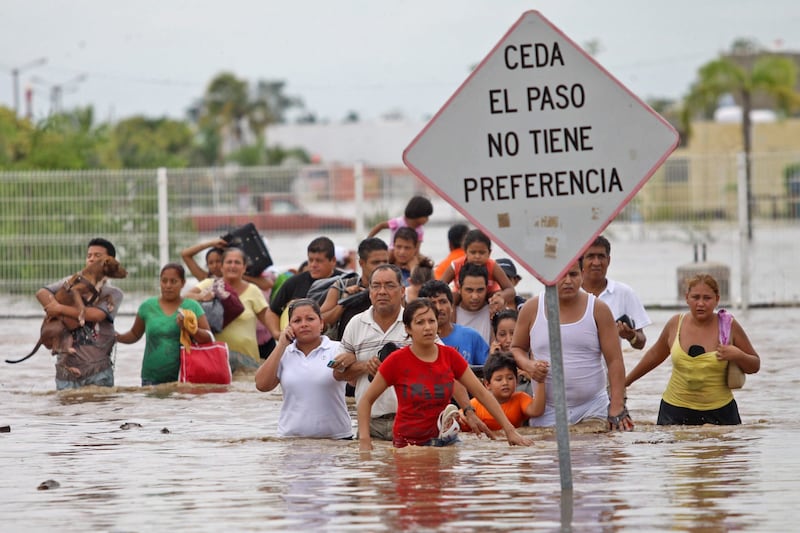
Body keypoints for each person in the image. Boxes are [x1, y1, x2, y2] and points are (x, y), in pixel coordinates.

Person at [356, 298, 532, 450]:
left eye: (431, 321)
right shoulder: (396, 361)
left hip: (446, 441)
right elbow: (366, 400)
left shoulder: (450, 356)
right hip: (408, 445)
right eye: (420, 322)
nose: (427, 327)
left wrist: (510, 431)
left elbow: (482, 393)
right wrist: (365, 441)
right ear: (408, 329)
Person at [511, 261, 633, 430]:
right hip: (545, 410)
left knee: (598, 451)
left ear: (582, 274)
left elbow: (615, 361)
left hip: (592, 408)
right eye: (561, 276)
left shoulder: (598, 309)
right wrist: (529, 365)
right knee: (542, 452)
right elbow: (516, 348)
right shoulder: (532, 308)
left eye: (573, 274)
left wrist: (616, 406)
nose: (568, 281)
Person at [625, 274, 760, 425]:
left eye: (707, 298)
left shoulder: (729, 326)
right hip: (674, 410)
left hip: (720, 412)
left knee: (724, 447)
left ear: (717, 299)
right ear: (687, 298)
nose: (700, 303)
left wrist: (738, 355)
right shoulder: (676, 323)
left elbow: (755, 365)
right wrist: (625, 382)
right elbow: (654, 355)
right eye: (695, 297)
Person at [255, 299, 352, 438]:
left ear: (321, 323)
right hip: (291, 441)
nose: (304, 324)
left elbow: (355, 382)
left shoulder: (337, 349)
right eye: (297, 321)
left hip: (336, 439)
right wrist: (281, 345)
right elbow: (261, 385)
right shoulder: (283, 353)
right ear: (289, 326)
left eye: (310, 319)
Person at [36, 238, 124, 390]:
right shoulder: (72, 281)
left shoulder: (113, 293)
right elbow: (42, 293)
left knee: (102, 412)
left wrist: (59, 310)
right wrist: (56, 316)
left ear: (110, 261)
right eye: (89, 255)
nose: (92, 259)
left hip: (98, 372)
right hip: (66, 375)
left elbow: (95, 315)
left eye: (98, 256)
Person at [116, 263, 213, 385]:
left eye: (173, 281)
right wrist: (116, 337)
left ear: (183, 283)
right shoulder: (147, 306)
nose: (168, 286)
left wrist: (189, 328)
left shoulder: (192, 306)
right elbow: (135, 334)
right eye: (164, 281)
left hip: (183, 378)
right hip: (150, 378)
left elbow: (209, 339)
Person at [187, 247, 268, 371]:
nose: (232, 266)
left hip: (247, 363)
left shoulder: (253, 290)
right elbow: (184, 298)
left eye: (237, 262)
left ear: (244, 267)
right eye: (229, 262)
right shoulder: (209, 284)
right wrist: (202, 296)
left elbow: (268, 319)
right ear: (222, 267)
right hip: (215, 361)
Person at [581, 235, 651, 350]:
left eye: (601, 257)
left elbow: (641, 342)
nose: (596, 262)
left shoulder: (624, 292)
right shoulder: (569, 294)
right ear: (580, 260)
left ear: (608, 260)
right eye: (591, 256)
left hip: (611, 366)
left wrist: (631, 336)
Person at [266, 236, 341, 339]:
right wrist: (276, 334)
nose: (313, 265)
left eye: (319, 261)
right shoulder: (294, 282)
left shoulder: (344, 282)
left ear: (333, 260)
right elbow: (272, 311)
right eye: (311, 260)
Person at [320, 237, 389, 341]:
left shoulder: (395, 288)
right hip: (347, 350)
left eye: (385, 262)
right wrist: (344, 302)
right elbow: (320, 322)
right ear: (361, 263)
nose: (381, 267)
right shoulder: (342, 286)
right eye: (376, 262)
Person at [462, 352, 546, 430]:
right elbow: (460, 416)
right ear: (487, 384)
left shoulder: (520, 399)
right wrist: (460, 416)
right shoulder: (476, 404)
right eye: (499, 379)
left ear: (516, 381)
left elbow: (536, 411)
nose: (505, 383)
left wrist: (540, 381)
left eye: (510, 378)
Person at [438, 229, 515, 310]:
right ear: (465, 251)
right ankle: (452, 322)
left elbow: (510, 289)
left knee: (495, 297)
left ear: (489, 252)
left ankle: (494, 320)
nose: (477, 256)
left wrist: (500, 296)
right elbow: (439, 287)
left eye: (482, 253)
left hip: (488, 297)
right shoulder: (456, 265)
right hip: (462, 298)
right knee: (453, 297)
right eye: (473, 252)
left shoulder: (493, 266)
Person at [419, 280, 489, 366]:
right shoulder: (415, 342)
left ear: (452, 306)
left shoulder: (471, 337)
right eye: (432, 303)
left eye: (443, 302)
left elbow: (489, 372)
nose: (438, 308)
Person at [367, 195, 433, 249]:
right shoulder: (398, 222)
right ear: (418, 213)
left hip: (409, 255)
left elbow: (416, 249)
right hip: (393, 251)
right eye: (426, 216)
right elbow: (381, 226)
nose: (427, 219)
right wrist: (368, 239)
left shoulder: (419, 230)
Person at [454, 263, 494, 343]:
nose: (475, 296)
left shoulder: (494, 312)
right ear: (459, 288)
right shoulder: (450, 314)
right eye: (469, 290)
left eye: (480, 290)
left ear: (487, 289)